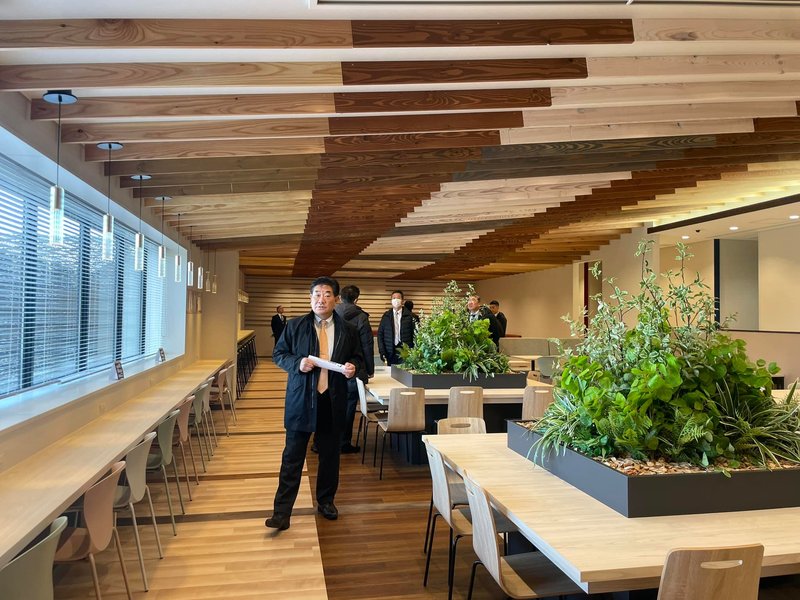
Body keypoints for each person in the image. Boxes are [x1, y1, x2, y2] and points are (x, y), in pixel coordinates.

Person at [266, 277, 364, 531]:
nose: (321, 299)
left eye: (327, 294)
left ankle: (326, 501)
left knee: (330, 456)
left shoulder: (348, 329)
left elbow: (358, 358)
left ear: (336, 299)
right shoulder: (295, 325)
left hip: (333, 399)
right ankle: (281, 512)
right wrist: (296, 363)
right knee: (292, 456)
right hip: (301, 399)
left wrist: (353, 367)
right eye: (317, 294)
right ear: (310, 298)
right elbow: (279, 354)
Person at [334, 285, 374, 454]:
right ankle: (343, 443)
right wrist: (369, 369)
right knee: (349, 406)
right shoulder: (361, 317)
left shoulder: (330, 314)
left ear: (339, 298)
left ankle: (320, 442)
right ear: (356, 299)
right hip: (353, 367)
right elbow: (367, 345)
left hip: (330, 368)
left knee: (328, 406)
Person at [377, 290, 415, 365]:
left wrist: (413, 350)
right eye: (394, 298)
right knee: (391, 371)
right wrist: (382, 351)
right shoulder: (386, 316)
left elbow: (415, 334)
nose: (396, 300)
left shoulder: (410, 316)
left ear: (402, 301)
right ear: (391, 300)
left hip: (405, 351)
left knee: (404, 371)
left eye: (398, 298)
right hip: (390, 351)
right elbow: (380, 334)